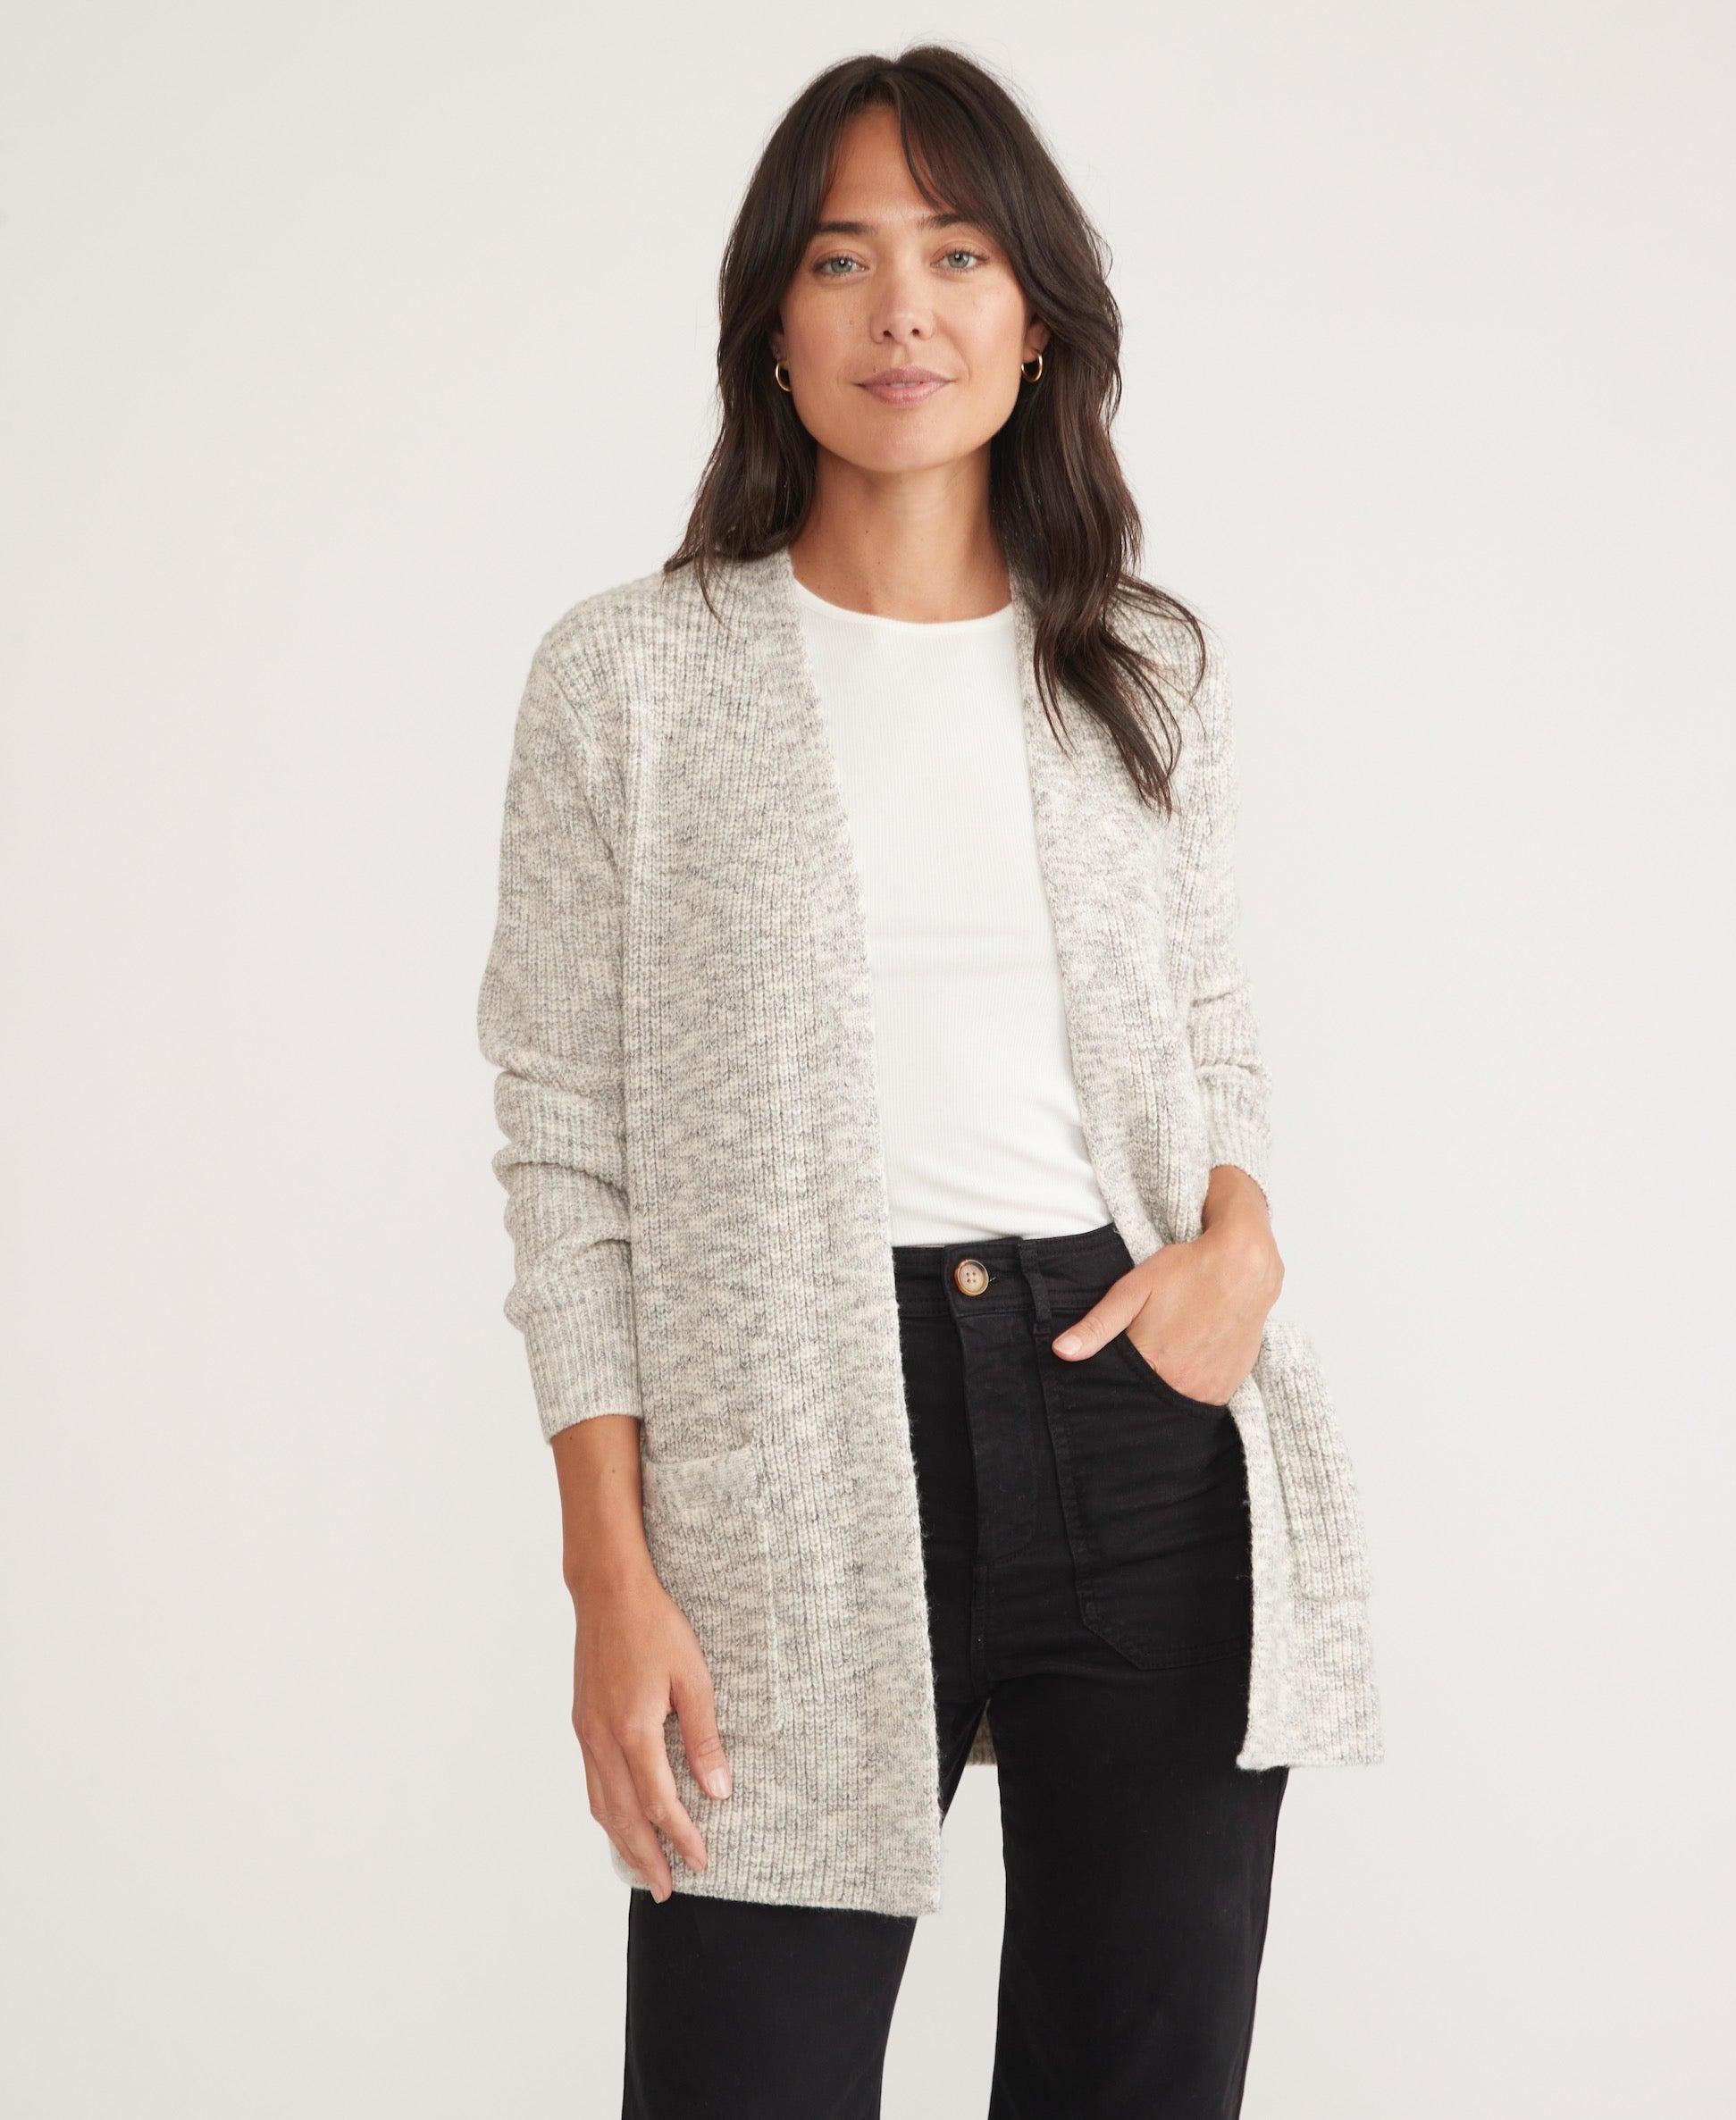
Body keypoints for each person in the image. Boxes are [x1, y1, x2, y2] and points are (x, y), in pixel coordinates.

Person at [476, 44, 1381, 2119]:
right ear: (770, 325)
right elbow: (565, 1141)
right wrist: (609, 1568)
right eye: (843, 259)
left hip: (1135, 1415)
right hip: (785, 1445)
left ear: (1034, 316)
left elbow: (1213, 1033)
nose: (904, 308)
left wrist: (1241, 1235)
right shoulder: (630, 675)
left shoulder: (1136, 661)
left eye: (959, 254)